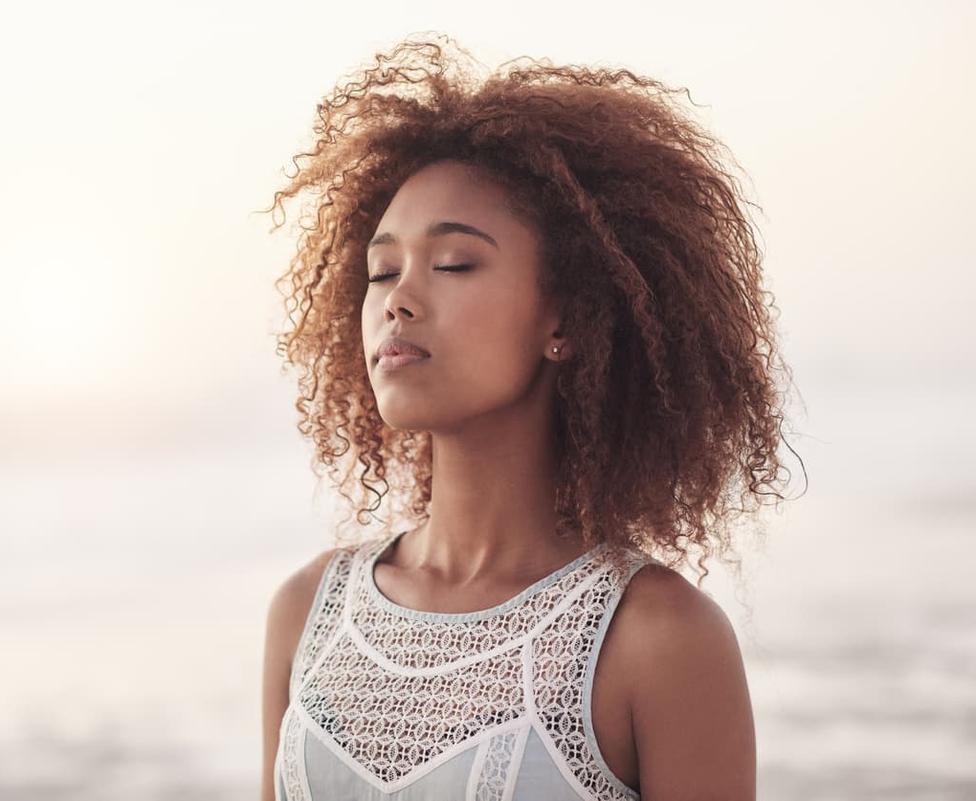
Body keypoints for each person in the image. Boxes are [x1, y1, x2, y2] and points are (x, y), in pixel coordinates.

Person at [258, 32, 798, 801]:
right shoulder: (306, 614)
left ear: (570, 318)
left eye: (454, 264)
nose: (398, 299)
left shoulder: (657, 640)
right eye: (382, 271)